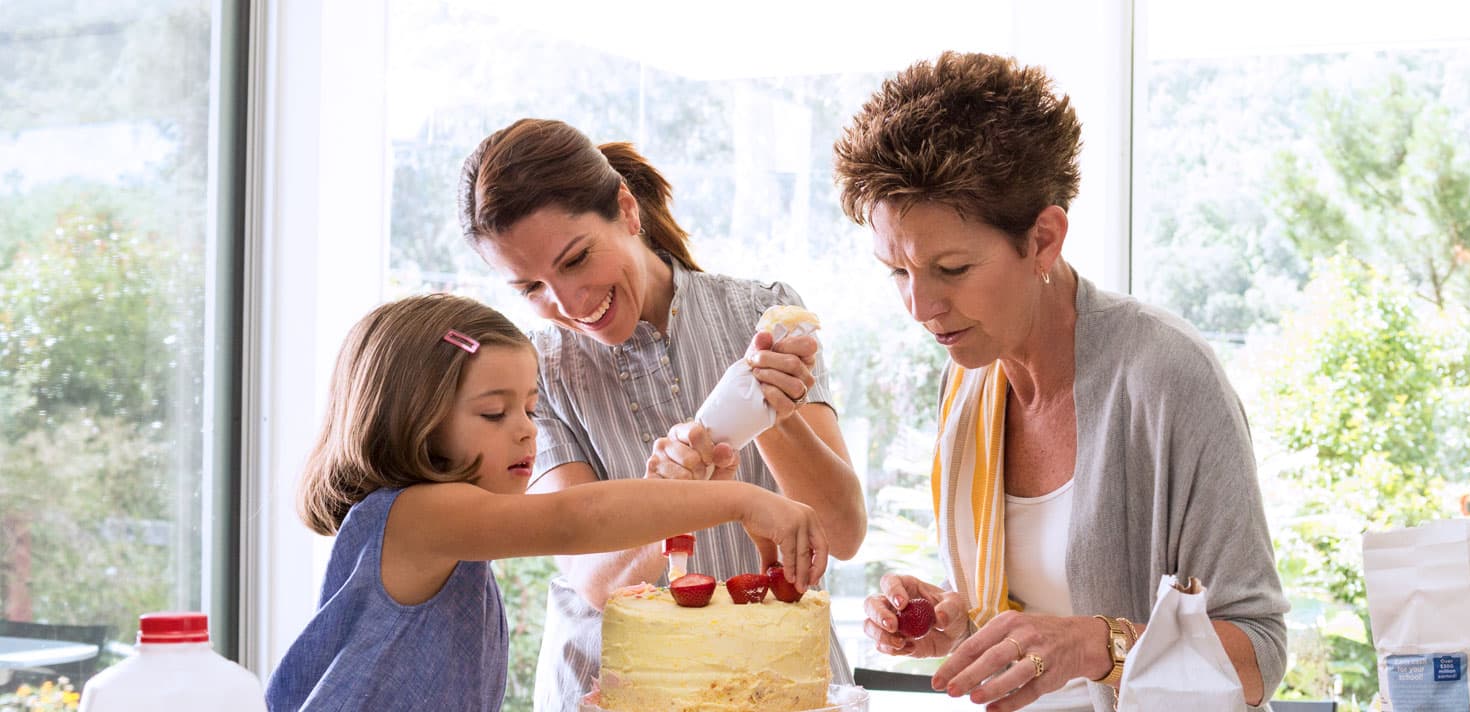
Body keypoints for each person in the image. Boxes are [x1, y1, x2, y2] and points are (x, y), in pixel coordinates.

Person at [836, 52, 1290, 711]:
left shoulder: (1165, 377)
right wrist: (961, 626)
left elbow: (1261, 650)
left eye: (953, 268)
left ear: (1044, 239)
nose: (921, 307)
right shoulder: (969, 379)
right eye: (898, 272)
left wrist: (1100, 646)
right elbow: (1040, 616)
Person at [457, 118, 866, 710]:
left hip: (779, 688)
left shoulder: (763, 313)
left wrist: (771, 409)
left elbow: (841, 534)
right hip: (616, 692)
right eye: (530, 288)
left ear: (626, 210)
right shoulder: (532, 373)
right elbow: (597, 580)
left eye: (574, 260)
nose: (568, 304)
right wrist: (665, 494)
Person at [265, 293, 824, 711]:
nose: (525, 433)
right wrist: (743, 500)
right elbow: (571, 518)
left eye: (530, 410)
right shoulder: (417, 517)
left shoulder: (453, 537)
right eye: (493, 413)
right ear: (413, 418)